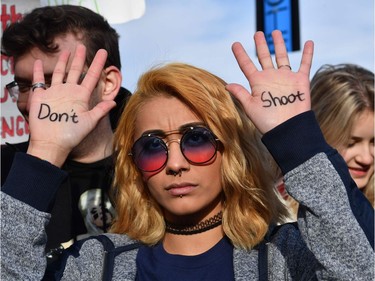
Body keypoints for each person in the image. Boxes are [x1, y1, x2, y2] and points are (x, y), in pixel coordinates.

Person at [1, 30, 373, 280]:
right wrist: (44, 153)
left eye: (196, 139)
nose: (176, 163)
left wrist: (299, 141)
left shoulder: (286, 257)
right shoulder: (97, 264)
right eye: (152, 146)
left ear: (232, 151)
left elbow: (361, 268)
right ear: (134, 166)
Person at [1, 5, 131, 261]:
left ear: (108, 84)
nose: (34, 103)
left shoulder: (162, 161)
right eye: (25, 86)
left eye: (53, 82)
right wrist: (42, 157)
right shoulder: (4, 170)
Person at [280, 64, 374, 225]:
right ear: (318, 133)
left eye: (374, 142)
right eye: (351, 143)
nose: (366, 158)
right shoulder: (277, 219)